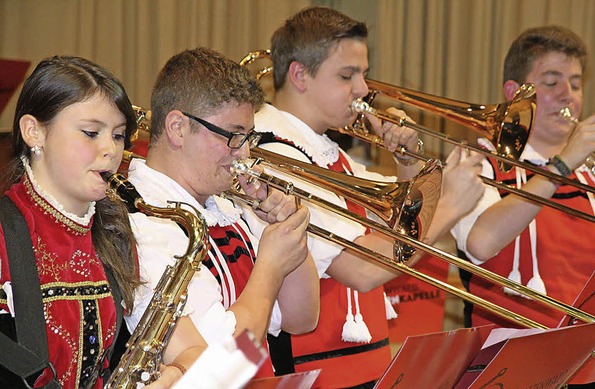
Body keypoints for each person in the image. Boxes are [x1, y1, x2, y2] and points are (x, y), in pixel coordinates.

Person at [242, 6, 486, 388]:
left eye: (363, 74)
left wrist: (405, 162)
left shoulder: (327, 150)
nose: (363, 90)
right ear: (299, 75)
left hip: (359, 365)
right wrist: (453, 205)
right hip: (312, 370)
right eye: (347, 75)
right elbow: (363, 269)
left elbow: (397, 221)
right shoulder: (275, 152)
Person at [0, 56, 206, 389]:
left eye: (119, 135)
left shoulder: (115, 233)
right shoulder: (5, 232)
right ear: (34, 131)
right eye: (91, 132)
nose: (111, 150)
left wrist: (172, 375)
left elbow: (188, 350)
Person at [450, 25, 595, 387]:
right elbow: (481, 243)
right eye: (552, 83)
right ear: (515, 94)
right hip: (510, 373)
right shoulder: (479, 165)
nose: (568, 96)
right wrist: (562, 166)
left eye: (576, 83)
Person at [124, 47, 319, 380]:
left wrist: (287, 231)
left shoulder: (224, 206)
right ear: (177, 128)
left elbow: (302, 318)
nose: (243, 153)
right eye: (233, 136)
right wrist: (270, 268)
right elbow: (220, 367)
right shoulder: (141, 223)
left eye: (248, 137)